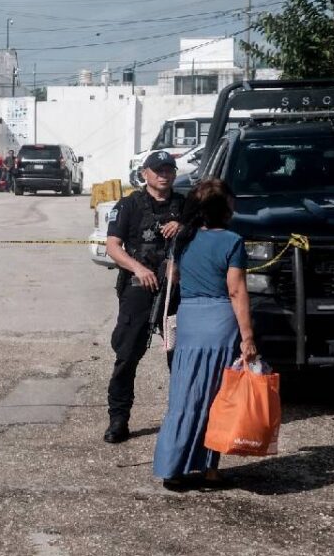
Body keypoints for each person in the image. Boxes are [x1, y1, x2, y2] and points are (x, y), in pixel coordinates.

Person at [152, 179, 257, 489]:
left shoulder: (183, 239)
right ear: (223, 209)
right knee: (216, 397)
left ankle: (172, 467)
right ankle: (209, 470)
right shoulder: (232, 242)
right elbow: (236, 291)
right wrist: (248, 336)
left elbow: (174, 275)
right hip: (220, 322)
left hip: (190, 320)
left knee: (185, 395)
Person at [103, 150, 186, 443]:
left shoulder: (185, 205)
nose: (164, 174)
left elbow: (205, 233)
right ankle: (118, 419)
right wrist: (138, 268)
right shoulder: (129, 205)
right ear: (145, 174)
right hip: (140, 288)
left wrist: (184, 226)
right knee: (126, 356)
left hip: (174, 293)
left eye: (168, 169)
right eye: (158, 170)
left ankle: (182, 419)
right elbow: (113, 246)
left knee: (180, 358)